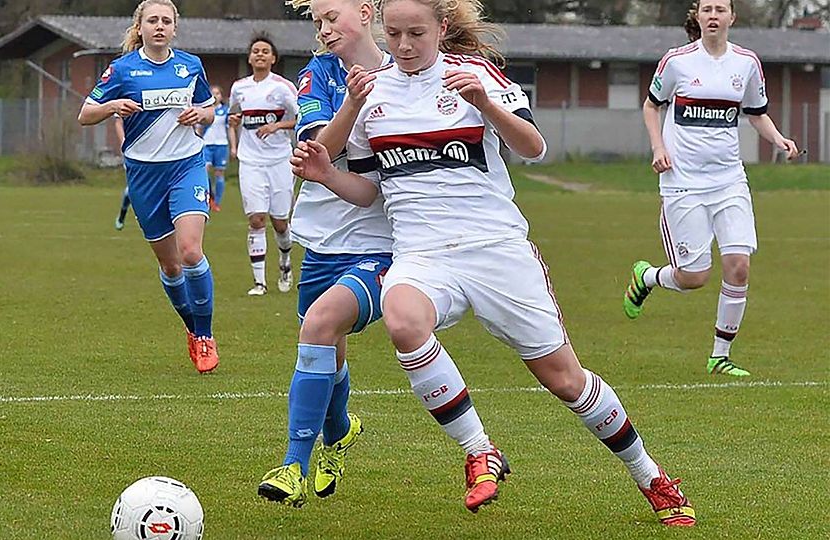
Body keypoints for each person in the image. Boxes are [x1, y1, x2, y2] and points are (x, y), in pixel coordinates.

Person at [291, 0, 696, 525]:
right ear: (380, 29)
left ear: (440, 28)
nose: (405, 45)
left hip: (496, 249)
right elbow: (369, 193)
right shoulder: (370, 95)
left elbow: (533, 146)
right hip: (422, 254)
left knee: (565, 380)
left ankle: (650, 476)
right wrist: (327, 175)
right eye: (394, 34)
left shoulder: (474, 75)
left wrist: (486, 104)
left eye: (417, 33)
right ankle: (479, 450)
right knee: (403, 318)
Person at [257, 0, 394, 508]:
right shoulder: (318, 74)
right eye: (317, 21)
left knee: (318, 327)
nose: (324, 28)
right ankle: (340, 432)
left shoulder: (407, 73)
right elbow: (318, 148)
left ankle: (293, 465)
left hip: (382, 247)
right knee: (326, 351)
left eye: (331, 16)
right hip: (322, 242)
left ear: (364, 11)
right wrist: (353, 105)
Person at [624, 0, 800, 377]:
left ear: (732, 17)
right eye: (707, 9)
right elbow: (651, 106)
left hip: (729, 180)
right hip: (683, 182)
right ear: (698, 17)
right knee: (694, 277)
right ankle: (648, 276)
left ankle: (720, 356)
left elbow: (755, 112)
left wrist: (779, 139)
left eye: (721, 9)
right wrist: (658, 147)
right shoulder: (677, 61)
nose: (714, 15)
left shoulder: (746, 64)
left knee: (738, 267)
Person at [78, 0, 219, 373]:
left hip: (187, 165)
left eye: (166, 21)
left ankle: (205, 336)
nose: (159, 26)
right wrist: (113, 107)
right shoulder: (122, 69)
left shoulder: (190, 66)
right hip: (144, 175)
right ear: (139, 27)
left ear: (175, 28)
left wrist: (200, 114)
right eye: (152, 20)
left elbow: (209, 108)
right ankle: (191, 328)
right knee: (171, 266)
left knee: (190, 252)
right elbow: (85, 114)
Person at [228, 35, 299, 296]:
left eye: (265, 51)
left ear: (273, 59)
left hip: (280, 160)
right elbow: (233, 115)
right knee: (256, 219)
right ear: (249, 57)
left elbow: (301, 117)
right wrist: (234, 125)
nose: (259, 55)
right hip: (251, 162)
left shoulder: (282, 87)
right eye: (255, 51)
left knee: (280, 222)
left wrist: (277, 125)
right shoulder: (240, 88)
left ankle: (285, 262)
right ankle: (259, 282)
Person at [198, 84, 230, 212]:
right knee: (204, 170)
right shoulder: (205, 111)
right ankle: (208, 198)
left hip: (221, 145)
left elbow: (230, 129)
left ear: (221, 96)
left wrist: (233, 146)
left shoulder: (226, 110)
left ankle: (217, 202)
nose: (215, 96)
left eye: (217, 93)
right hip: (206, 144)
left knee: (219, 173)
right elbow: (199, 128)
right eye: (213, 93)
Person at [112, 116, 133, 230]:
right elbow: (118, 122)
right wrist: (124, 145)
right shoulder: (125, 98)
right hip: (136, 154)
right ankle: (122, 216)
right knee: (133, 188)